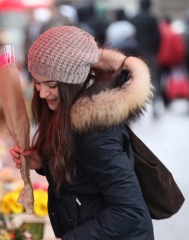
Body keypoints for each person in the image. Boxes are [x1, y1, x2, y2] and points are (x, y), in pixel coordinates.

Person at [10, 26, 154, 239]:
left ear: (73, 83)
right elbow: (83, 176)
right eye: (37, 83)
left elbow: (130, 210)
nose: (41, 93)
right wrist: (43, 163)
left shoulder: (97, 134)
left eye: (50, 84)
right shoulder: (66, 109)